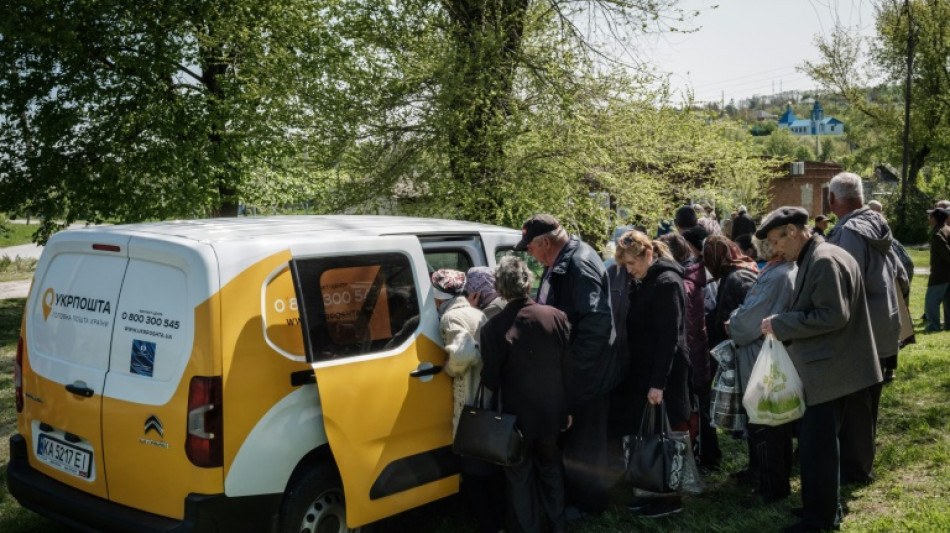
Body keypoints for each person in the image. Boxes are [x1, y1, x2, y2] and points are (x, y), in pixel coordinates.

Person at [758, 207, 882, 533]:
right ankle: (824, 509)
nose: (774, 250)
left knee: (817, 451)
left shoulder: (824, 259)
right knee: (821, 448)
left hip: (829, 372)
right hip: (833, 368)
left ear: (793, 230)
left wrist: (781, 324)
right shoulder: (821, 255)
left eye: (776, 241)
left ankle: (820, 520)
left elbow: (832, 315)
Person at [514, 214, 616, 516]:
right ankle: (578, 497)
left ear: (545, 242)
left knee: (586, 442)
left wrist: (573, 367)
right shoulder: (559, 261)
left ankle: (590, 503)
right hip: (575, 370)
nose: (529, 253)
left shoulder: (578, 263)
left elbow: (597, 323)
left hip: (587, 372)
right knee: (575, 439)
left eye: (530, 247)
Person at [480, 256, 572, 533]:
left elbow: (491, 379)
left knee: (519, 476)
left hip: (513, 416)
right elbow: (567, 368)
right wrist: (568, 409)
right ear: (529, 283)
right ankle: (558, 524)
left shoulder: (492, 328)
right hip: (551, 411)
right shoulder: (556, 317)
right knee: (551, 468)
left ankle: (528, 528)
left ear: (499, 289)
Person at [825, 172, 900, 486]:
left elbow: (844, 284)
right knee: (868, 400)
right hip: (882, 324)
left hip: (861, 331)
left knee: (856, 403)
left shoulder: (850, 232)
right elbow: (902, 271)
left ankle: (857, 471)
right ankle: (861, 462)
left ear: (832, 200)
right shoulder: (876, 222)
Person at [612, 230, 692, 518]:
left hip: (664, 372)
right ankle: (654, 490)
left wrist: (658, 384)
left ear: (648, 254)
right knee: (651, 433)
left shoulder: (666, 282)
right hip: (647, 369)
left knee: (665, 436)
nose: (629, 271)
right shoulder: (647, 280)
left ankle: (670, 497)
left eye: (632, 264)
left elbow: (669, 337)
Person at [431, 269, 504, 533]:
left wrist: (448, 368)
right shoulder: (478, 312)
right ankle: (497, 520)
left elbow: (463, 355)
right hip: (486, 396)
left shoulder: (450, 317)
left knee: (472, 467)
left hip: (468, 398)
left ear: (439, 296)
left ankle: (485, 524)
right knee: (488, 464)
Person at [728, 233, 797, 505]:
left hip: (761, 358)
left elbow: (747, 322)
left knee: (767, 425)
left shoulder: (775, 276)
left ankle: (772, 488)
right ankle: (775, 482)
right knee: (776, 424)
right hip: (772, 356)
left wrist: (731, 322)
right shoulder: (785, 271)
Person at [702, 235, 758, 470]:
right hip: (744, 348)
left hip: (749, 351)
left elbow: (748, 313)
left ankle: (759, 467)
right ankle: (756, 464)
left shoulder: (737, 277)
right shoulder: (735, 273)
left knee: (755, 414)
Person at [658, 232, 713, 468]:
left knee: (693, 409)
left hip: (689, 355)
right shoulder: (693, 275)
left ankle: (700, 458)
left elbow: (682, 325)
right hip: (698, 351)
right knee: (699, 406)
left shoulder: (682, 283)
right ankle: (707, 455)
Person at [925, 207, 950, 332]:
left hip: (940, 274)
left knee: (931, 302)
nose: (929, 219)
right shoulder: (948, 229)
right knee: (948, 301)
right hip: (948, 274)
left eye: (931, 216)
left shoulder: (937, 233)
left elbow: (946, 253)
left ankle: (934, 326)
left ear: (935, 219)